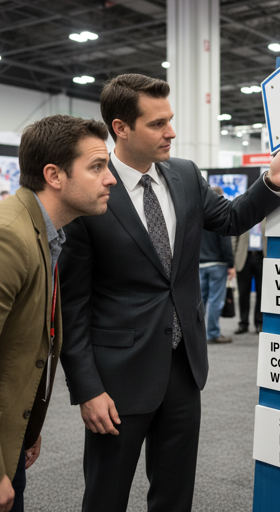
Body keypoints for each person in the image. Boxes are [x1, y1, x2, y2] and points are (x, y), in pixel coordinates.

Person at [58, 73, 280, 512]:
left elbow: (231, 219)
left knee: (176, 493)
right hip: (118, 379)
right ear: (121, 128)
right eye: (157, 124)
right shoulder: (90, 191)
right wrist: (87, 389)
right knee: (106, 495)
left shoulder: (184, 174)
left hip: (183, 368)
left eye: (171, 119)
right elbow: (72, 306)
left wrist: (272, 182)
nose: (171, 132)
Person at [0, 115, 115, 512]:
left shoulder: (46, 235)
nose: (111, 179)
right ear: (54, 175)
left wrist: (24, 429)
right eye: (96, 167)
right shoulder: (9, 237)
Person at [199, 186, 236, 344]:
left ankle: (197, 334)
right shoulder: (220, 216)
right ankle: (213, 333)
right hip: (217, 264)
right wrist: (231, 265)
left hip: (200, 264)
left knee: (200, 302)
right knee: (215, 300)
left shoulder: (198, 215)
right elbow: (226, 244)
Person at [233, 220, 267, 334]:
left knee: (261, 293)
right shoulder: (245, 217)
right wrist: (233, 258)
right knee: (243, 293)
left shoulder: (267, 218)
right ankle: (243, 323)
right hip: (244, 258)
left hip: (262, 257)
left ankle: (259, 323)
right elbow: (234, 237)